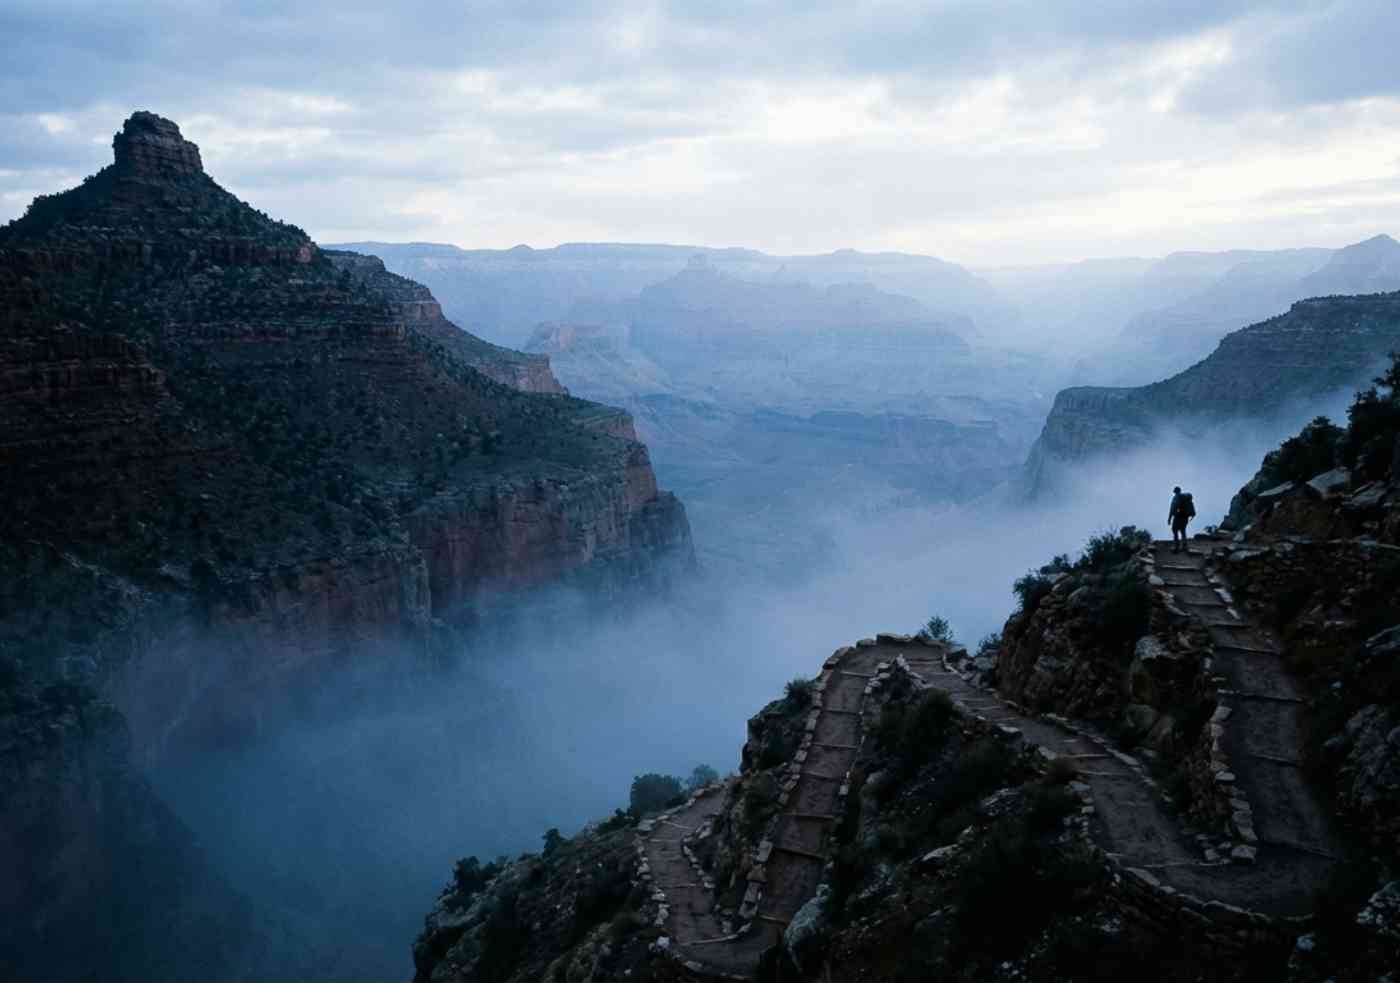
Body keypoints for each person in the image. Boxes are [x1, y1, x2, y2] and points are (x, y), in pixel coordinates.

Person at [1168, 486, 1196, 552]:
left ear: (1175, 491)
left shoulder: (1176, 497)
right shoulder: (1186, 497)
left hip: (1178, 516)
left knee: (1174, 529)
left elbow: (1172, 508)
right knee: (1183, 530)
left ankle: (1177, 546)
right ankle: (1184, 546)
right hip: (1185, 517)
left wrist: (1169, 518)